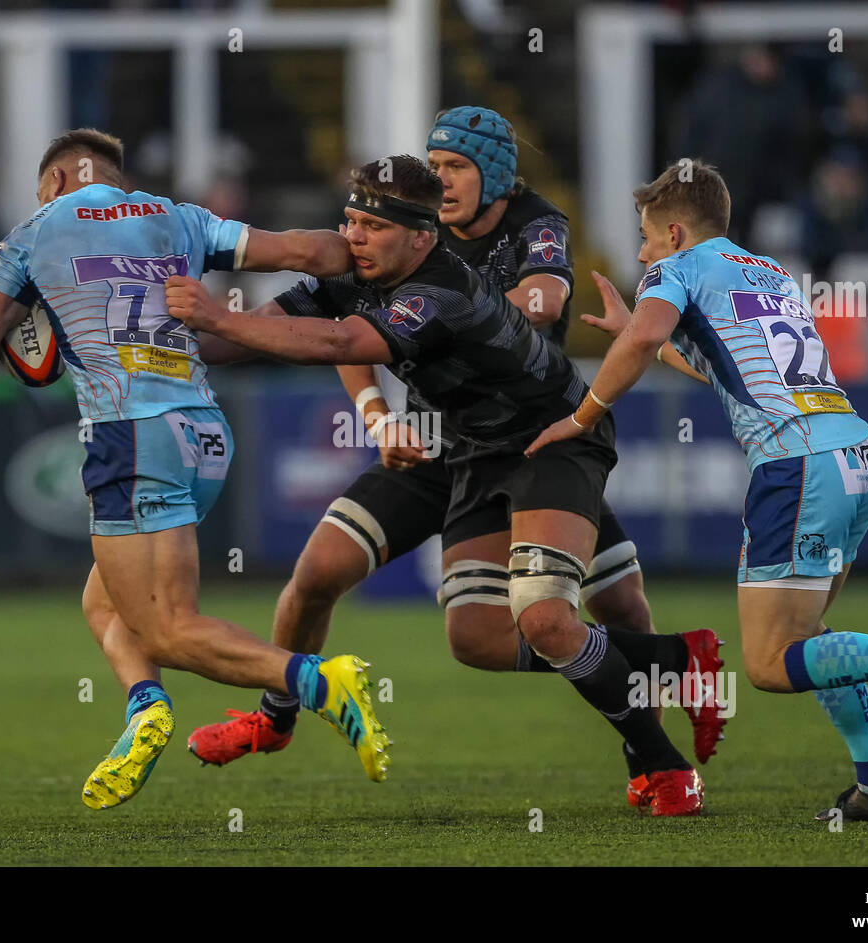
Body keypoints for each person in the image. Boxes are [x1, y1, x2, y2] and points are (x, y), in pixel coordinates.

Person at [184, 108, 725, 811]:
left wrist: (221, 316)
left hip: (546, 437)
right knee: (461, 630)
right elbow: (300, 332)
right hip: (454, 444)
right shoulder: (371, 257)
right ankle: (672, 663)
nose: (355, 238)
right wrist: (153, 331)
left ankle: (661, 754)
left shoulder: (454, 278)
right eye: (351, 222)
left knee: (565, 613)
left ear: (421, 232)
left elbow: (346, 341)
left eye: (456, 168)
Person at [526, 159, 868, 822]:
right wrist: (639, 336)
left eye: (647, 236)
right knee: (811, 639)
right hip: (854, 455)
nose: (640, 252)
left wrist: (583, 415)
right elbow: (724, 368)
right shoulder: (769, 273)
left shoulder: (678, 270)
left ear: (677, 232)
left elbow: (653, 335)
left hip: (798, 465)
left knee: (772, 665)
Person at [0, 128, 392, 811]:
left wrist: (22, 306)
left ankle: (318, 681)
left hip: (130, 434)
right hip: (204, 436)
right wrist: (378, 250)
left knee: (166, 627)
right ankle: (145, 708)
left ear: (59, 180)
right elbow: (312, 250)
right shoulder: (179, 217)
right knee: (105, 602)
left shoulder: (35, 231)